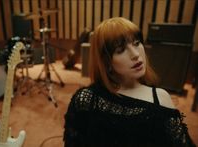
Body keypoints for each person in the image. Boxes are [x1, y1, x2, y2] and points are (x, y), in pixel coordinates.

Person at [63, 17, 196, 147]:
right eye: (120, 50)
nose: (135, 54)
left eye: (137, 43)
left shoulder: (161, 99)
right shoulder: (85, 99)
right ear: (106, 62)